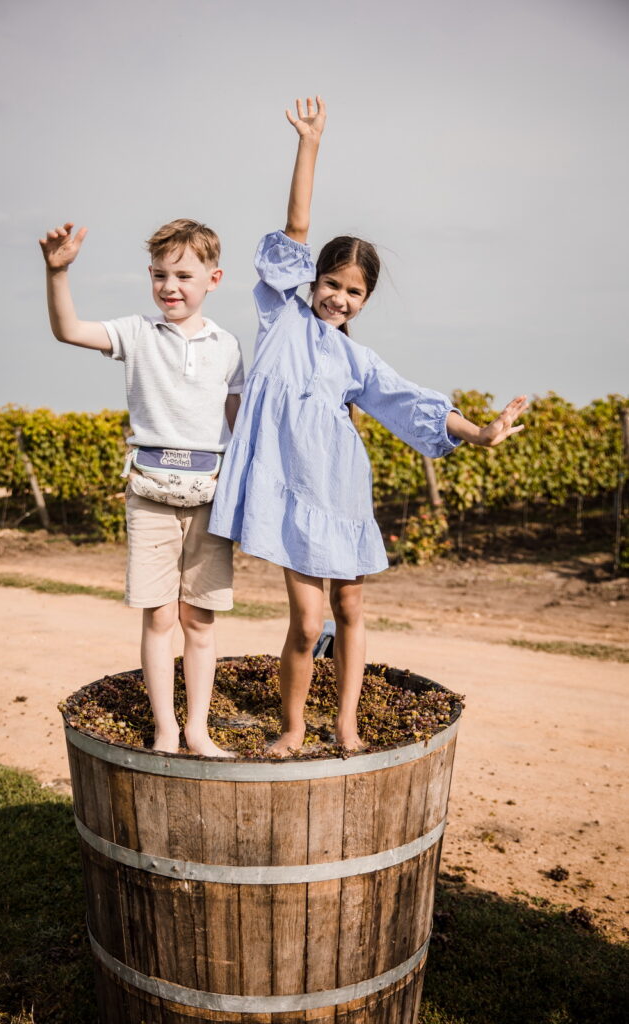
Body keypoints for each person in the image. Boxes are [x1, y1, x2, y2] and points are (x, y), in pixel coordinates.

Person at [209, 96, 528, 756]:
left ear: (365, 299)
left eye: (353, 291)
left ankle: (346, 723)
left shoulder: (357, 359)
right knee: (307, 622)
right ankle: (293, 728)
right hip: (290, 496)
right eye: (331, 283)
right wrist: (310, 145)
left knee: (350, 609)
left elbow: (411, 402)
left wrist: (481, 432)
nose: (339, 297)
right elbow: (296, 227)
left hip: (343, 494)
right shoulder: (281, 317)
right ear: (312, 280)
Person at [39, 218, 244, 757]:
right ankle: (166, 729)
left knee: (199, 619)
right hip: (149, 497)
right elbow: (68, 330)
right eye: (159, 275)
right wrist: (57, 273)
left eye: (183, 275)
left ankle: (197, 730)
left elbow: (239, 424)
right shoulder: (135, 332)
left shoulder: (228, 346)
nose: (169, 287)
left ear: (214, 279)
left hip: (210, 501)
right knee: (159, 617)